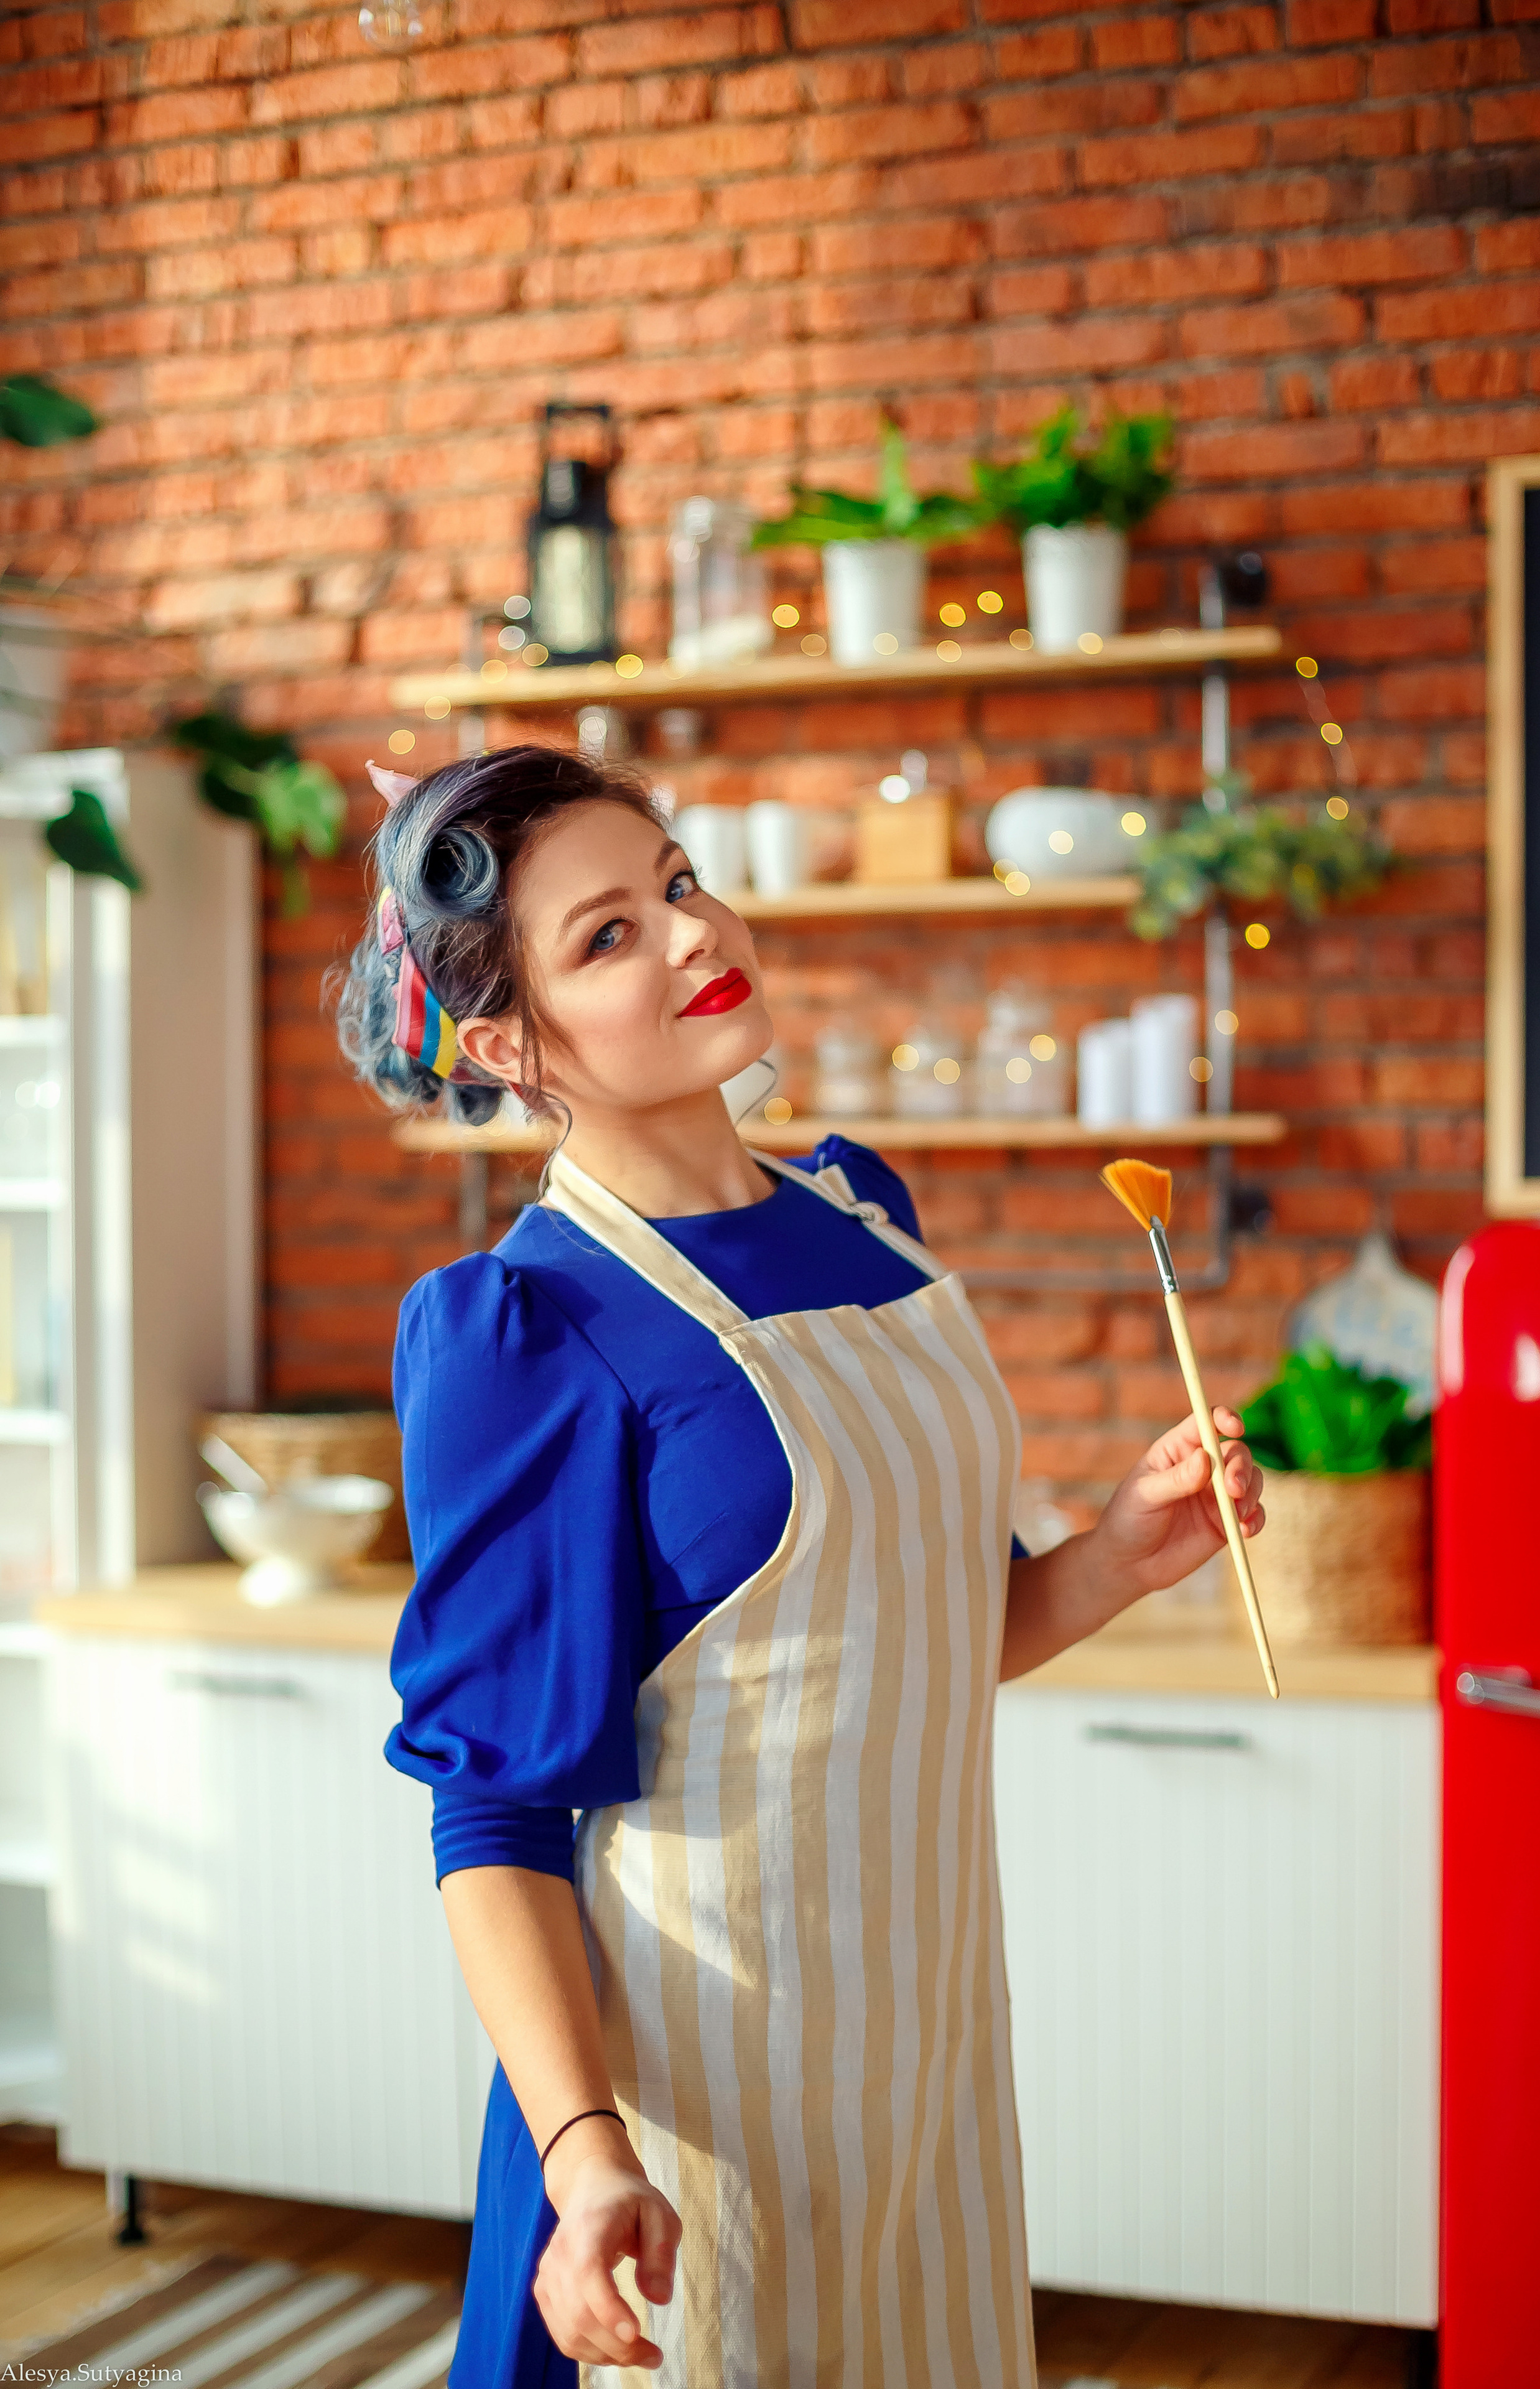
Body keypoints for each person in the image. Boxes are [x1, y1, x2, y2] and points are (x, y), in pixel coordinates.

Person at [338, 743, 1264, 2389]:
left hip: (927, 2052)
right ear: (507, 1045)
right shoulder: (527, 1328)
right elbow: (491, 1816)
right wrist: (584, 2158)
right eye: (608, 936)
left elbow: (923, 1634)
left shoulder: (864, 1214)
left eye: (679, 883)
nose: (694, 935)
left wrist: (1120, 1557)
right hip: (686, 2100)